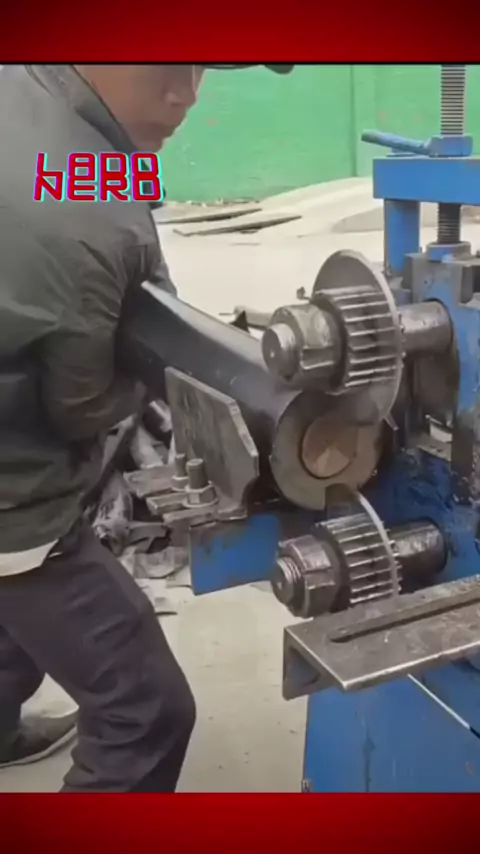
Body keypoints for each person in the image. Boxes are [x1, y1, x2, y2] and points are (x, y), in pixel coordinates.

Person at [0, 63, 292, 792]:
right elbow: (80, 408)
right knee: (146, 711)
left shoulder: (38, 98)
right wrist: (154, 382)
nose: (185, 95)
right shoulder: (81, 217)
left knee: (19, 617)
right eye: (164, 64)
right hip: (12, 492)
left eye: (200, 66)